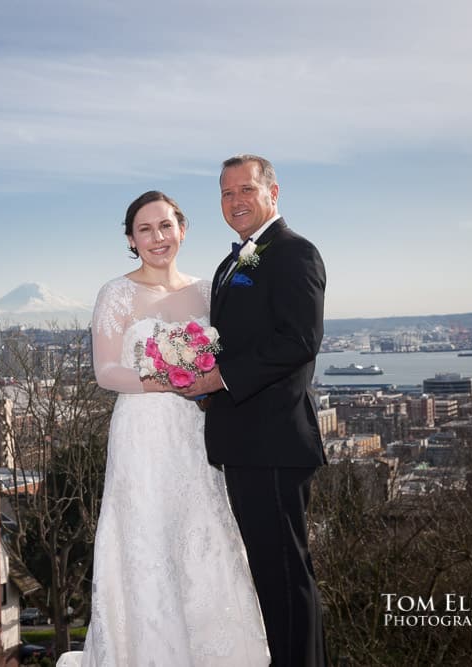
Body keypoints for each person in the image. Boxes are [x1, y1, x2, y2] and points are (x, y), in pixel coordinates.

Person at [57, 191, 269, 667]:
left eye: (166, 226)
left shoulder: (208, 290)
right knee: (146, 534)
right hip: (142, 432)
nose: (158, 238)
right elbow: (106, 372)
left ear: (183, 229)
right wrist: (163, 378)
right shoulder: (117, 293)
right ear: (131, 239)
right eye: (145, 229)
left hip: (197, 431)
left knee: (203, 529)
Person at [182, 154, 328, 666]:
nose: (235, 201)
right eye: (226, 193)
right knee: (269, 573)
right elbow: (235, 341)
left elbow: (299, 340)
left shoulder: (294, 253)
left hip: (274, 442)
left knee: (284, 575)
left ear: (273, 192)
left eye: (245, 189)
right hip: (243, 441)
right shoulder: (233, 262)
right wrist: (192, 373)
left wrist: (218, 377)